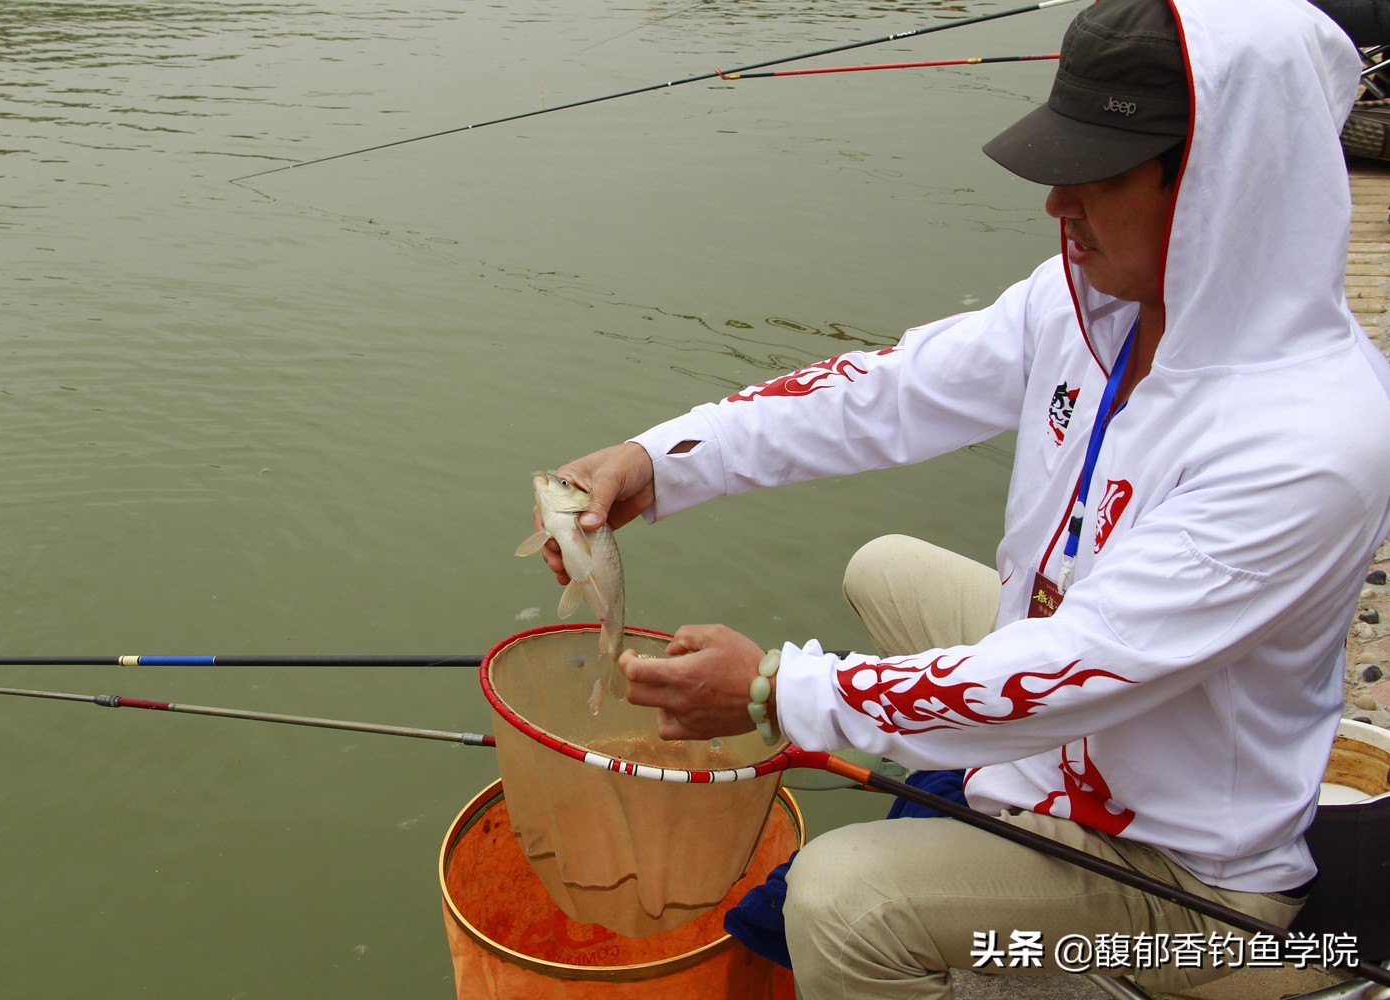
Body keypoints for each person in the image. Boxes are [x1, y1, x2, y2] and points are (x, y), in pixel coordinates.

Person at [540, 0, 1390, 995]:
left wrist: (779, 692)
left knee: (838, 899)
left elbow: (1067, 674)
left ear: (1223, 180)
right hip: (1094, 717)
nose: (1056, 205)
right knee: (882, 566)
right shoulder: (1091, 300)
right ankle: (976, 791)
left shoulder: (1309, 441)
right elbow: (883, 391)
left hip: (1182, 874)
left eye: (1097, 173)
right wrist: (666, 457)